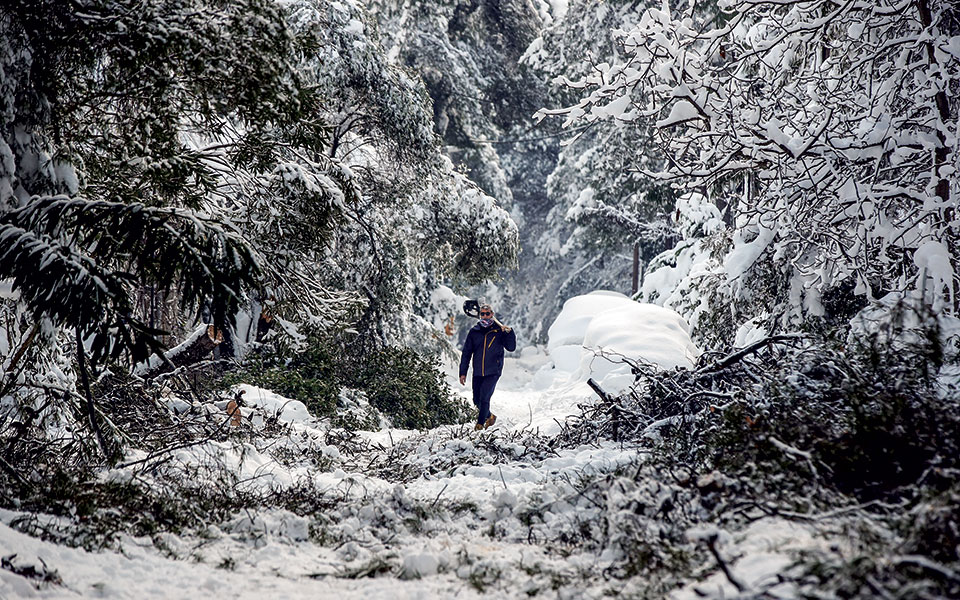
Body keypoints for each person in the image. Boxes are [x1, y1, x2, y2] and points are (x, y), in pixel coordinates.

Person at [459, 303, 516, 431]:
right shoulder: (474, 332)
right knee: (476, 400)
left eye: (487, 314)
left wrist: (509, 333)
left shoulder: (499, 331)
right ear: (480, 315)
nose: (485, 316)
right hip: (478, 371)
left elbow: (511, 348)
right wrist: (463, 372)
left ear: (492, 314)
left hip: (493, 371)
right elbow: (467, 353)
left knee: (485, 397)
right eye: (483, 314)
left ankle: (479, 425)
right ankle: (490, 416)